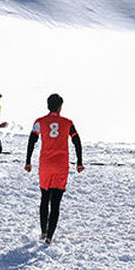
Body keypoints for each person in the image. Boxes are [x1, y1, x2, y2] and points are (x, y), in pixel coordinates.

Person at [24, 93, 84, 244]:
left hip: (45, 165)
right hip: (61, 165)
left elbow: (32, 141)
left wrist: (28, 161)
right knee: (56, 202)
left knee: (45, 198)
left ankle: (43, 232)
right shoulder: (67, 122)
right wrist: (79, 162)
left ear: (48, 106)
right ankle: (49, 237)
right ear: (60, 107)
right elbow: (77, 141)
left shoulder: (39, 122)